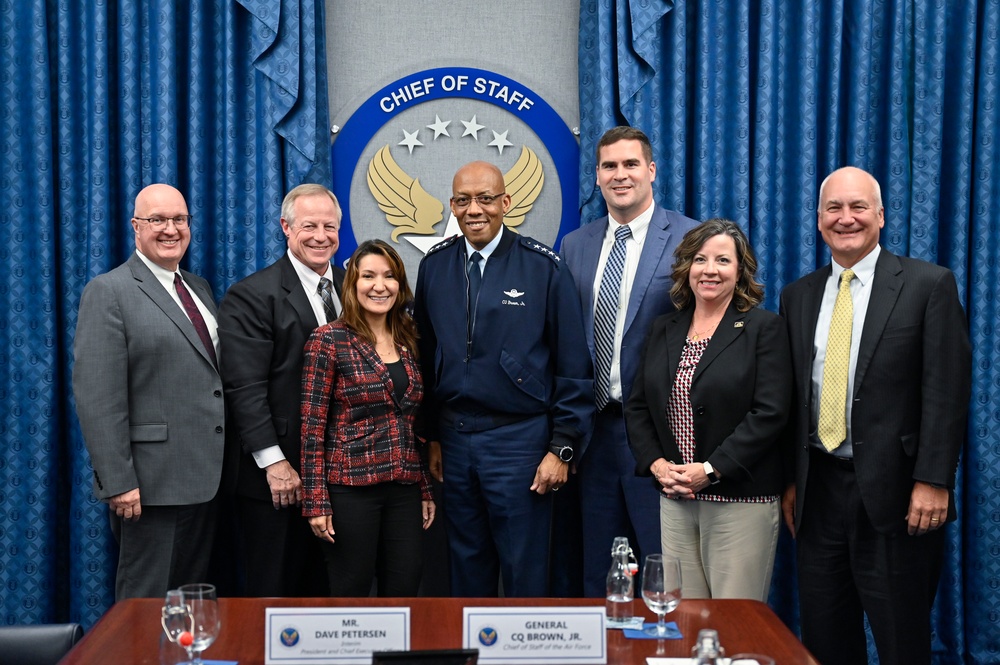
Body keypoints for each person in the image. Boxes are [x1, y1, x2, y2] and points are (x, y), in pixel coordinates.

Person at [779, 166, 972, 665]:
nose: (846, 218)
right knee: (825, 639)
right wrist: (791, 480)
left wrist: (933, 480)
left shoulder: (929, 285)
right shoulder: (797, 296)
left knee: (901, 640)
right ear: (819, 220)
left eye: (858, 207)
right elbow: (794, 397)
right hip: (818, 495)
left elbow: (946, 391)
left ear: (881, 216)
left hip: (899, 496)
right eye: (834, 209)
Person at [412, 161, 593, 597]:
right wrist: (432, 435)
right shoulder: (434, 267)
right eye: (463, 200)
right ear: (452, 207)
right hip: (455, 442)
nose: (475, 209)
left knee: (524, 571)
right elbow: (425, 354)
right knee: (464, 567)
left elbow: (573, 366)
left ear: (506, 203)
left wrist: (562, 448)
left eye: (486, 198)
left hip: (520, 443)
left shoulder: (543, 268)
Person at [560, 126, 699, 596]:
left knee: (664, 574)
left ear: (651, 170)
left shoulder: (689, 238)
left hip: (660, 437)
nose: (620, 175)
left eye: (630, 164)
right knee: (600, 573)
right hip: (591, 436)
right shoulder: (574, 245)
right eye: (609, 166)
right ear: (597, 177)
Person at [625, 218, 792, 601]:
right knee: (684, 620)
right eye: (700, 259)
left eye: (723, 260)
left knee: (734, 623)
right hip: (676, 498)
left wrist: (710, 471)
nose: (710, 270)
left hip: (739, 501)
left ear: (740, 270)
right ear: (687, 267)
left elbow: (770, 413)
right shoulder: (664, 328)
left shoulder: (763, 328)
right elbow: (638, 405)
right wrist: (657, 465)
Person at [73, 184, 225, 600]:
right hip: (149, 485)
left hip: (205, 479)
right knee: (145, 603)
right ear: (136, 227)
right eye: (157, 220)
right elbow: (98, 396)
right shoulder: (110, 291)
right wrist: (119, 480)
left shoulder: (199, 288)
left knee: (190, 601)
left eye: (179, 219)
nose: (170, 229)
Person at [216, 184, 344, 596]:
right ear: (286, 228)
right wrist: (274, 464)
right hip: (280, 477)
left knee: (334, 591)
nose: (320, 236)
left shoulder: (355, 285)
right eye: (309, 226)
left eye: (330, 226)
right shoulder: (253, 295)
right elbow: (244, 387)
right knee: (276, 593)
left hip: (343, 472)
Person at [300, 239, 435, 596]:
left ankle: (397, 656)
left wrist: (423, 487)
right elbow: (312, 429)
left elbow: (410, 425)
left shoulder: (410, 337)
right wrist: (316, 501)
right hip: (350, 490)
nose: (380, 286)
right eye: (369, 276)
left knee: (406, 587)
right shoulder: (328, 340)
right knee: (351, 590)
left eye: (390, 276)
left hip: (404, 488)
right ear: (352, 284)